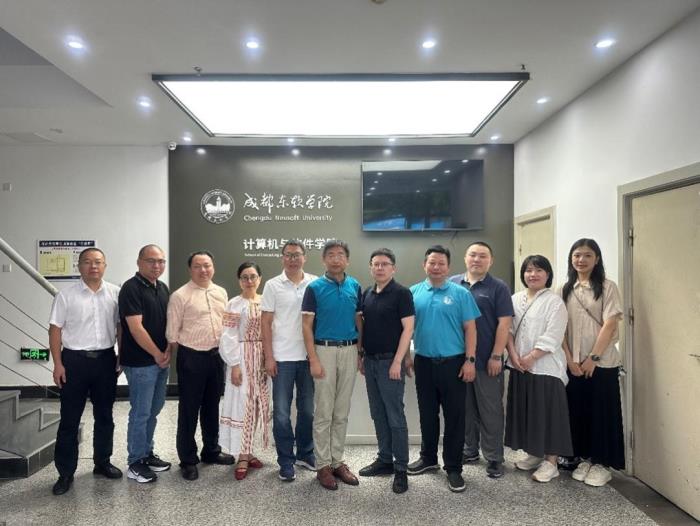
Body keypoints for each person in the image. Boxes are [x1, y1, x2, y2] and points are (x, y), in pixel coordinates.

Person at [407, 245, 481, 493]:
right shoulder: (413, 293)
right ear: (424, 265)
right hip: (424, 362)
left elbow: (471, 329)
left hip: (454, 364)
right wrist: (406, 356)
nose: (436, 267)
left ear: (448, 267)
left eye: (441, 263)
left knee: (455, 417)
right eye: (432, 262)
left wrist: (470, 361)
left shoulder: (461, 294)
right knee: (427, 414)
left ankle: (454, 468)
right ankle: (428, 458)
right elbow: (406, 329)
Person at [49, 248, 122, 495]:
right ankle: (65, 473)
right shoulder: (65, 295)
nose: (93, 266)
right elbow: (55, 330)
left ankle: (102, 462)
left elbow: (120, 327)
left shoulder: (115, 293)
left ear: (105, 265)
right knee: (69, 419)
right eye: (88, 262)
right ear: (79, 266)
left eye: (98, 262)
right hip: (74, 362)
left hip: (105, 360)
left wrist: (121, 355)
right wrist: (58, 364)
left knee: (105, 416)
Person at [561, 239, 624, 487]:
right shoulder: (565, 288)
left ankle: (602, 464)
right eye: (577, 255)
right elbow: (560, 328)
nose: (581, 260)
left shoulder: (608, 287)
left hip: (602, 362)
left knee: (602, 413)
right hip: (574, 363)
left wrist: (593, 358)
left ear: (596, 259)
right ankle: (586, 458)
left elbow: (610, 324)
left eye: (587, 255)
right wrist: (569, 359)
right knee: (579, 412)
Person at [166, 251, 234, 481]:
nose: (203, 270)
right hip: (191, 357)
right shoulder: (180, 296)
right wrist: (182, 359)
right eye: (198, 266)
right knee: (189, 409)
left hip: (216, 357)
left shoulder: (220, 292)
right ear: (190, 269)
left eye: (207, 265)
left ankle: (211, 451)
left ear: (213, 267)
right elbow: (172, 334)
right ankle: (187, 459)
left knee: (212, 406)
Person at [301, 239, 362, 491]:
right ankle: (323, 465)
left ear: (347, 259)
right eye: (331, 255)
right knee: (324, 411)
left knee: (341, 411)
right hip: (323, 350)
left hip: (350, 349)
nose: (336, 259)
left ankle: (337, 461)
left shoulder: (355, 285)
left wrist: (360, 351)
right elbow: (306, 326)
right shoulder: (314, 288)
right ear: (324, 259)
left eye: (340, 255)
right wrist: (313, 358)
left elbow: (359, 320)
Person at [505, 254, 572, 483]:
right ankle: (535, 453)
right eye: (528, 270)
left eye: (538, 270)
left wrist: (531, 357)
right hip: (519, 366)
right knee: (528, 412)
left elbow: (554, 334)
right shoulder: (515, 299)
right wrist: (514, 356)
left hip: (545, 367)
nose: (532, 274)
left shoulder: (555, 302)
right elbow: (508, 330)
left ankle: (551, 462)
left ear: (547, 274)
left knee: (548, 414)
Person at [449, 241, 513, 479]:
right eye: (473, 255)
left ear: (491, 260)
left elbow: (504, 324)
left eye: (482, 256)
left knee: (490, 410)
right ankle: (470, 450)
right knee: (465, 409)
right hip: (458, 360)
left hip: (487, 360)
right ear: (465, 258)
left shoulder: (498, 287)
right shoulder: (453, 283)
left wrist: (497, 355)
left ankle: (494, 457)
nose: (477, 259)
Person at [358, 248, 415, 494]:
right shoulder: (367, 293)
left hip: (390, 362)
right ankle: (385, 460)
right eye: (376, 264)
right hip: (370, 362)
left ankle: (401, 468)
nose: (379, 268)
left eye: (384, 264)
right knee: (378, 413)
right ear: (371, 267)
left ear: (393, 268)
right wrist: (361, 355)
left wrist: (398, 361)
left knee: (395, 416)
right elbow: (364, 327)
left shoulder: (402, 293)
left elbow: (408, 329)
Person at [261, 241, 317, 482]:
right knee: (282, 414)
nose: (293, 259)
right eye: (288, 255)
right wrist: (269, 357)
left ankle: (305, 453)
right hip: (282, 358)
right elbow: (265, 323)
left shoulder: (315, 283)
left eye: (297, 255)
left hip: (308, 357)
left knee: (307, 411)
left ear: (305, 257)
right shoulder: (273, 285)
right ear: (282, 257)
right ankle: (285, 461)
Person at [119, 244, 172, 484]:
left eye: (161, 261)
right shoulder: (130, 288)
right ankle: (135, 462)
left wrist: (167, 350)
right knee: (141, 412)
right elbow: (135, 328)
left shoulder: (162, 288)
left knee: (154, 409)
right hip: (141, 363)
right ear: (139, 262)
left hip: (160, 361)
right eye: (151, 261)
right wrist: (157, 354)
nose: (156, 265)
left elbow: (167, 324)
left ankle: (147, 453)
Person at [219, 262, 271, 480]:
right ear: (239, 280)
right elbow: (228, 335)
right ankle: (241, 455)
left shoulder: (266, 301)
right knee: (242, 404)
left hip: (263, 358)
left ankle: (249, 451)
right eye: (244, 277)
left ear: (260, 279)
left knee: (258, 404)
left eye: (253, 276)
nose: (249, 281)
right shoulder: (234, 304)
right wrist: (234, 365)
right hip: (241, 357)